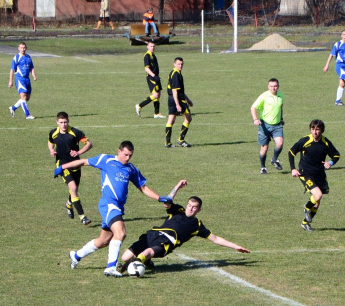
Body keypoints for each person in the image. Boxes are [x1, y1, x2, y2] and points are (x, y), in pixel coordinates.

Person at [56, 141, 175, 277]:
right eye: (125, 155)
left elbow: (143, 188)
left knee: (103, 241)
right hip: (108, 204)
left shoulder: (131, 169)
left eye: (130, 155)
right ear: (119, 151)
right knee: (121, 232)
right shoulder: (106, 160)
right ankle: (110, 267)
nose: (127, 158)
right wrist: (63, 167)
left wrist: (159, 198)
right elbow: (83, 161)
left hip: (118, 207)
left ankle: (76, 256)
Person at [119, 181, 250, 272]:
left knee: (146, 253)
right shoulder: (178, 210)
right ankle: (145, 262)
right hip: (153, 235)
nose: (190, 209)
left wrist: (235, 246)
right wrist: (177, 187)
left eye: (194, 207)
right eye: (189, 205)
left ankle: (127, 268)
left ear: (199, 210)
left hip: (166, 243)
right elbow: (167, 202)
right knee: (125, 256)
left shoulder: (197, 225)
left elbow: (215, 239)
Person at [288, 119, 340, 232]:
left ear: (322, 130)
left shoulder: (326, 143)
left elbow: (336, 155)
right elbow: (291, 152)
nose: (315, 132)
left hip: (320, 174)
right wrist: (293, 169)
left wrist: (330, 163)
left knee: (316, 204)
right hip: (305, 173)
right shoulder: (305, 141)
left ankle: (305, 223)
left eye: (317, 129)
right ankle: (306, 208)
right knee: (318, 195)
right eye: (313, 129)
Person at [48, 112, 93, 225]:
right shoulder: (53, 132)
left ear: (68, 121)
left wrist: (78, 152)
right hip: (62, 165)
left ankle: (68, 203)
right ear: (57, 122)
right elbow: (50, 142)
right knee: (72, 188)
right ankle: (82, 217)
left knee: (74, 190)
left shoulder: (75, 132)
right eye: (61, 122)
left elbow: (89, 144)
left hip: (76, 164)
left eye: (65, 122)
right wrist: (51, 150)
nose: (63, 125)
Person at [250, 78, 284, 174]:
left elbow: (280, 108)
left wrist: (281, 119)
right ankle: (263, 167)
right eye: (271, 86)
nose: (273, 88)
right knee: (264, 148)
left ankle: (274, 160)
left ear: (278, 86)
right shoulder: (264, 96)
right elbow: (253, 107)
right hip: (265, 125)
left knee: (280, 143)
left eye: (275, 86)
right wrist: (255, 119)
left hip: (277, 125)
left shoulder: (281, 96)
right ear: (268, 86)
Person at [323, 29, 345, 106]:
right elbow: (331, 55)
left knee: (342, 84)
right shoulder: (338, 44)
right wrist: (327, 65)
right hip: (339, 66)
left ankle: (338, 101)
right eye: (343, 34)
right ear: (341, 35)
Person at [165, 57, 193, 148]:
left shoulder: (175, 73)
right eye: (178, 64)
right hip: (177, 99)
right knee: (188, 118)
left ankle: (168, 142)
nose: (180, 66)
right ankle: (181, 140)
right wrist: (177, 104)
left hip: (172, 98)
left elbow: (179, 90)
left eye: (181, 64)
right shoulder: (176, 74)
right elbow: (175, 91)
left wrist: (188, 99)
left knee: (171, 120)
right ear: (174, 64)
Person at [135, 42, 165, 119]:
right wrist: (154, 75)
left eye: (153, 46)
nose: (152, 47)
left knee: (158, 94)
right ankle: (139, 106)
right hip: (152, 77)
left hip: (156, 77)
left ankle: (157, 113)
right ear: (147, 47)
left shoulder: (153, 55)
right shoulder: (147, 55)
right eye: (151, 46)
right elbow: (146, 68)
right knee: (155, 95)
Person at [8, 42, 37, 120]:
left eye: (24, 47)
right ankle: (28, 115)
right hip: (20, 79)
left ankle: (13, 108)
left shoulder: (28, 57)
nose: (22, 49)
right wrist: (10, 81)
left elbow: (32, 67)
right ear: (18, 48)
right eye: (21, 47)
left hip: (27, 79)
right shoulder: (16, 57)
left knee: (27, 98)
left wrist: (34, 75)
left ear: (26, 48)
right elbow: (12, 70)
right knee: (23, 97)